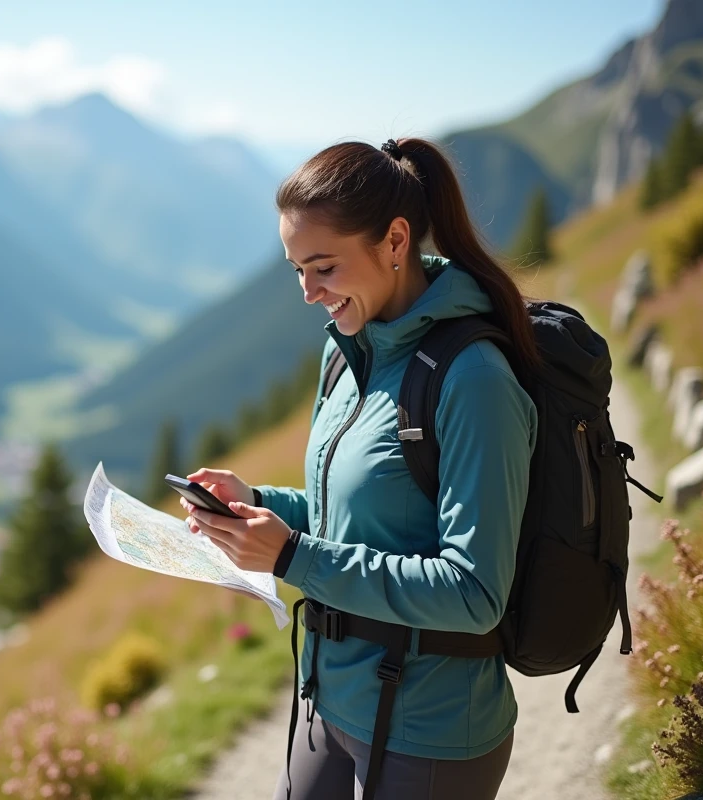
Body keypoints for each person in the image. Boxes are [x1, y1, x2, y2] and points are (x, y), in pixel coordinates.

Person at [179, 137, 539, 800]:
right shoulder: (348, 350)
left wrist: (293, 559)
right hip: (328, 696)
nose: (309, 293)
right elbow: (359, 516)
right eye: (295, 270)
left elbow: (473, 592)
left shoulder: (476, 380)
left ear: (395, 241)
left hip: (427, 729)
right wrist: (255, 503)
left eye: (323, 268)